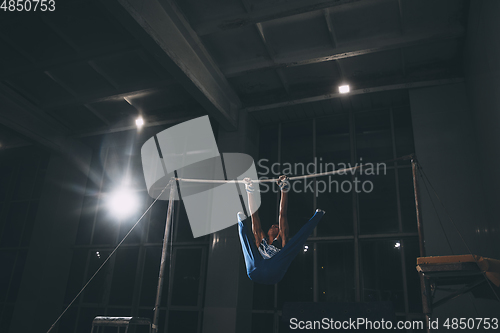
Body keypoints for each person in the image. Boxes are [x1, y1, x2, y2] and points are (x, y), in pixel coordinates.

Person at [238, 175, 325, 284]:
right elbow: (254, 216)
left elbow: (282, 214)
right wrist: (249, 191)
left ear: (279, 232)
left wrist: (284, 190)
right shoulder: (260, 240)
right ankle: (242, 221)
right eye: (273, 226)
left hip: (268, 271)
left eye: (276, 227)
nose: (273, 227)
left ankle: (316, 216)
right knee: (253, 228)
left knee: (291, 246)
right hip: (261, 268)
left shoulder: (281, 240)